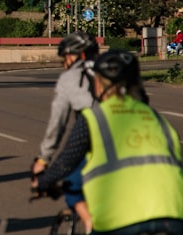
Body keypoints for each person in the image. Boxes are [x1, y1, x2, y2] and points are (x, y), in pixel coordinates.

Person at [33, 49, 183, 235]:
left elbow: (65, 163)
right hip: (173, 214)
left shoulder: (94, 118)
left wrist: (42, 183)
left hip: (121, 219)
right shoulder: (160, 120)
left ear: (97, 84)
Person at [32, 30, 99, 226]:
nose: (65, 61)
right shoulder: (114, 68)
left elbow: (57, 123)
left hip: (93, 138)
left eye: (67, 56)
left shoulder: (70, 77)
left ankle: (91, 226)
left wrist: (43, 159)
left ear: (80, 54)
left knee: (72, 185)